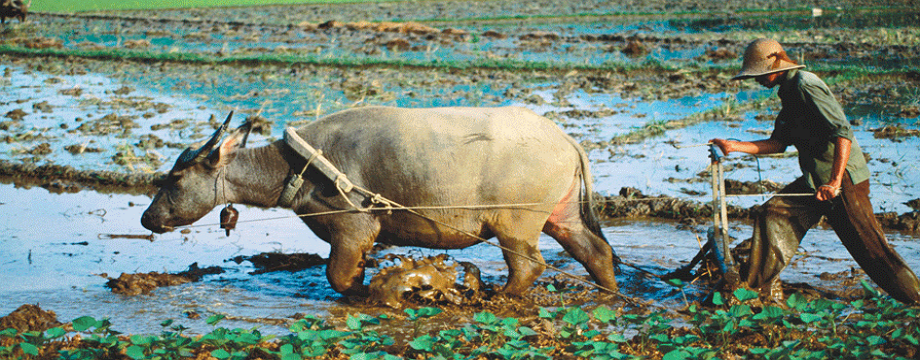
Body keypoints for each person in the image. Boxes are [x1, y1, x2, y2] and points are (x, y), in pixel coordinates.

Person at [710, 38, 920, 304]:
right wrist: (733, 146)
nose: (756, 80)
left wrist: (834, 182)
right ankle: (749, 292)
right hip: (816, 182)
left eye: (758, 74)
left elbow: (842, 131)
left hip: (841, 181)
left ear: (775, 67)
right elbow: (778, 143)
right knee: (772, 214)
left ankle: (915, 301)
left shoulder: (805, 84)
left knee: (872, 252)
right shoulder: (788, 94)